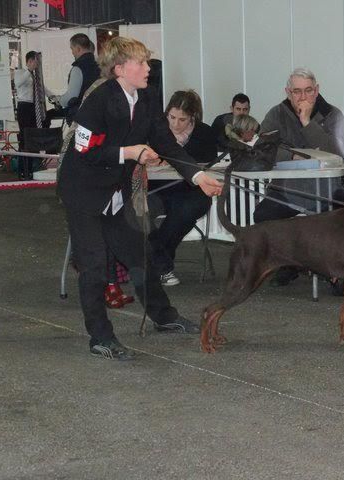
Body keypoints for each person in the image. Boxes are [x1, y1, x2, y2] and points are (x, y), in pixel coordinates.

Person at [57, 37, 222, 360]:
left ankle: (164, 316)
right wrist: (128, 152)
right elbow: (84, 149)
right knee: (93, 266)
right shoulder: (99, 100)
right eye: (141, 63)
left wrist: (198, 176)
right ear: (120, 69)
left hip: (114, 193)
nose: (148, 68)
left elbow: (166, 143)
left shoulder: (146, 98)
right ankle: (100, 337)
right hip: (83, 193)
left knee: (139, 255)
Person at [253, 67, 344, 289]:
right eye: (297, 91)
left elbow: (335, 152)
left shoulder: (333, 114)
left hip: (326, 189)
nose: (302, 97)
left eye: (308, 91)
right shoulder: (276, 114)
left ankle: (340, 270)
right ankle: (289, 262)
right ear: (288, 92)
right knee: (263, 215)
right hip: (287, 188)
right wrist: (292, 155)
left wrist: (308, 122)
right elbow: (263, 149)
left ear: (316, 90)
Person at [148, 89, 216, 286]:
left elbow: (208, 160)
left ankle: (158, 262)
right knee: (139, 211)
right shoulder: (155, 129)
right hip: (157, 188)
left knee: (185, 211)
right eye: (172, 117)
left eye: (182, 120)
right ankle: (162, 265)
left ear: (193, 117)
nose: (175, 124)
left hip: (190, 191)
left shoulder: (204, 133)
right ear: (166, 113)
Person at [49, 33, 100, 124]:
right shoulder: (100, 67)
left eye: (72, 49)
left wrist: (59, 100)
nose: (72, 52)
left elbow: (71, 97)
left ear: (78, 48)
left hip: (81, 119)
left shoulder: (78, 68)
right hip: (98, 116)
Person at [13, 51, 46, 178]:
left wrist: (54, 96)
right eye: (36, 62)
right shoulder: (20, 72)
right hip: (24, 107)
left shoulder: (34, 76)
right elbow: (18, 83)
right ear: (30, 61)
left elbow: (42, 88)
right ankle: (22, 169)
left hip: (33, 107)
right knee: (24, 138)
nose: (37, 65)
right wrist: (29, 70)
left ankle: (31, 169)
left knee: (31, 138)